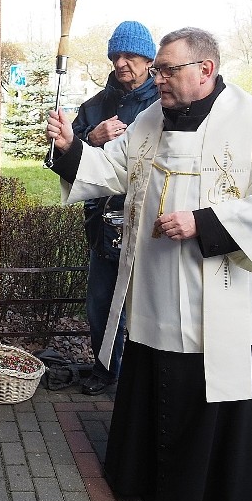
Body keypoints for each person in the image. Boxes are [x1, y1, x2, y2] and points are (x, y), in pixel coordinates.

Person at [45, 28, 252, 501]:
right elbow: (111, 170)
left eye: (167, 69)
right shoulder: (150, 119)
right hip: (157, 293)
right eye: (158, 69)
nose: (157, 78)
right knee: (157, 388)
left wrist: (203, 223)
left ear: (205, 70)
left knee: (214, 403)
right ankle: (147, 478)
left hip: (222, 294)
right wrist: (72, 147)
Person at [72, 21, 159, 396]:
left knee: (150, 304)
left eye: (131, 55)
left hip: (155, 220)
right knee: (102, 304)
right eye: (116, 55)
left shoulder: (165, 103)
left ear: (149, 58)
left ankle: (145, 378)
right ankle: (106, 370)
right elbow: (60, 158)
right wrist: (89, 139)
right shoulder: (94, 107)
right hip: (106, 221)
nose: (122, 62)